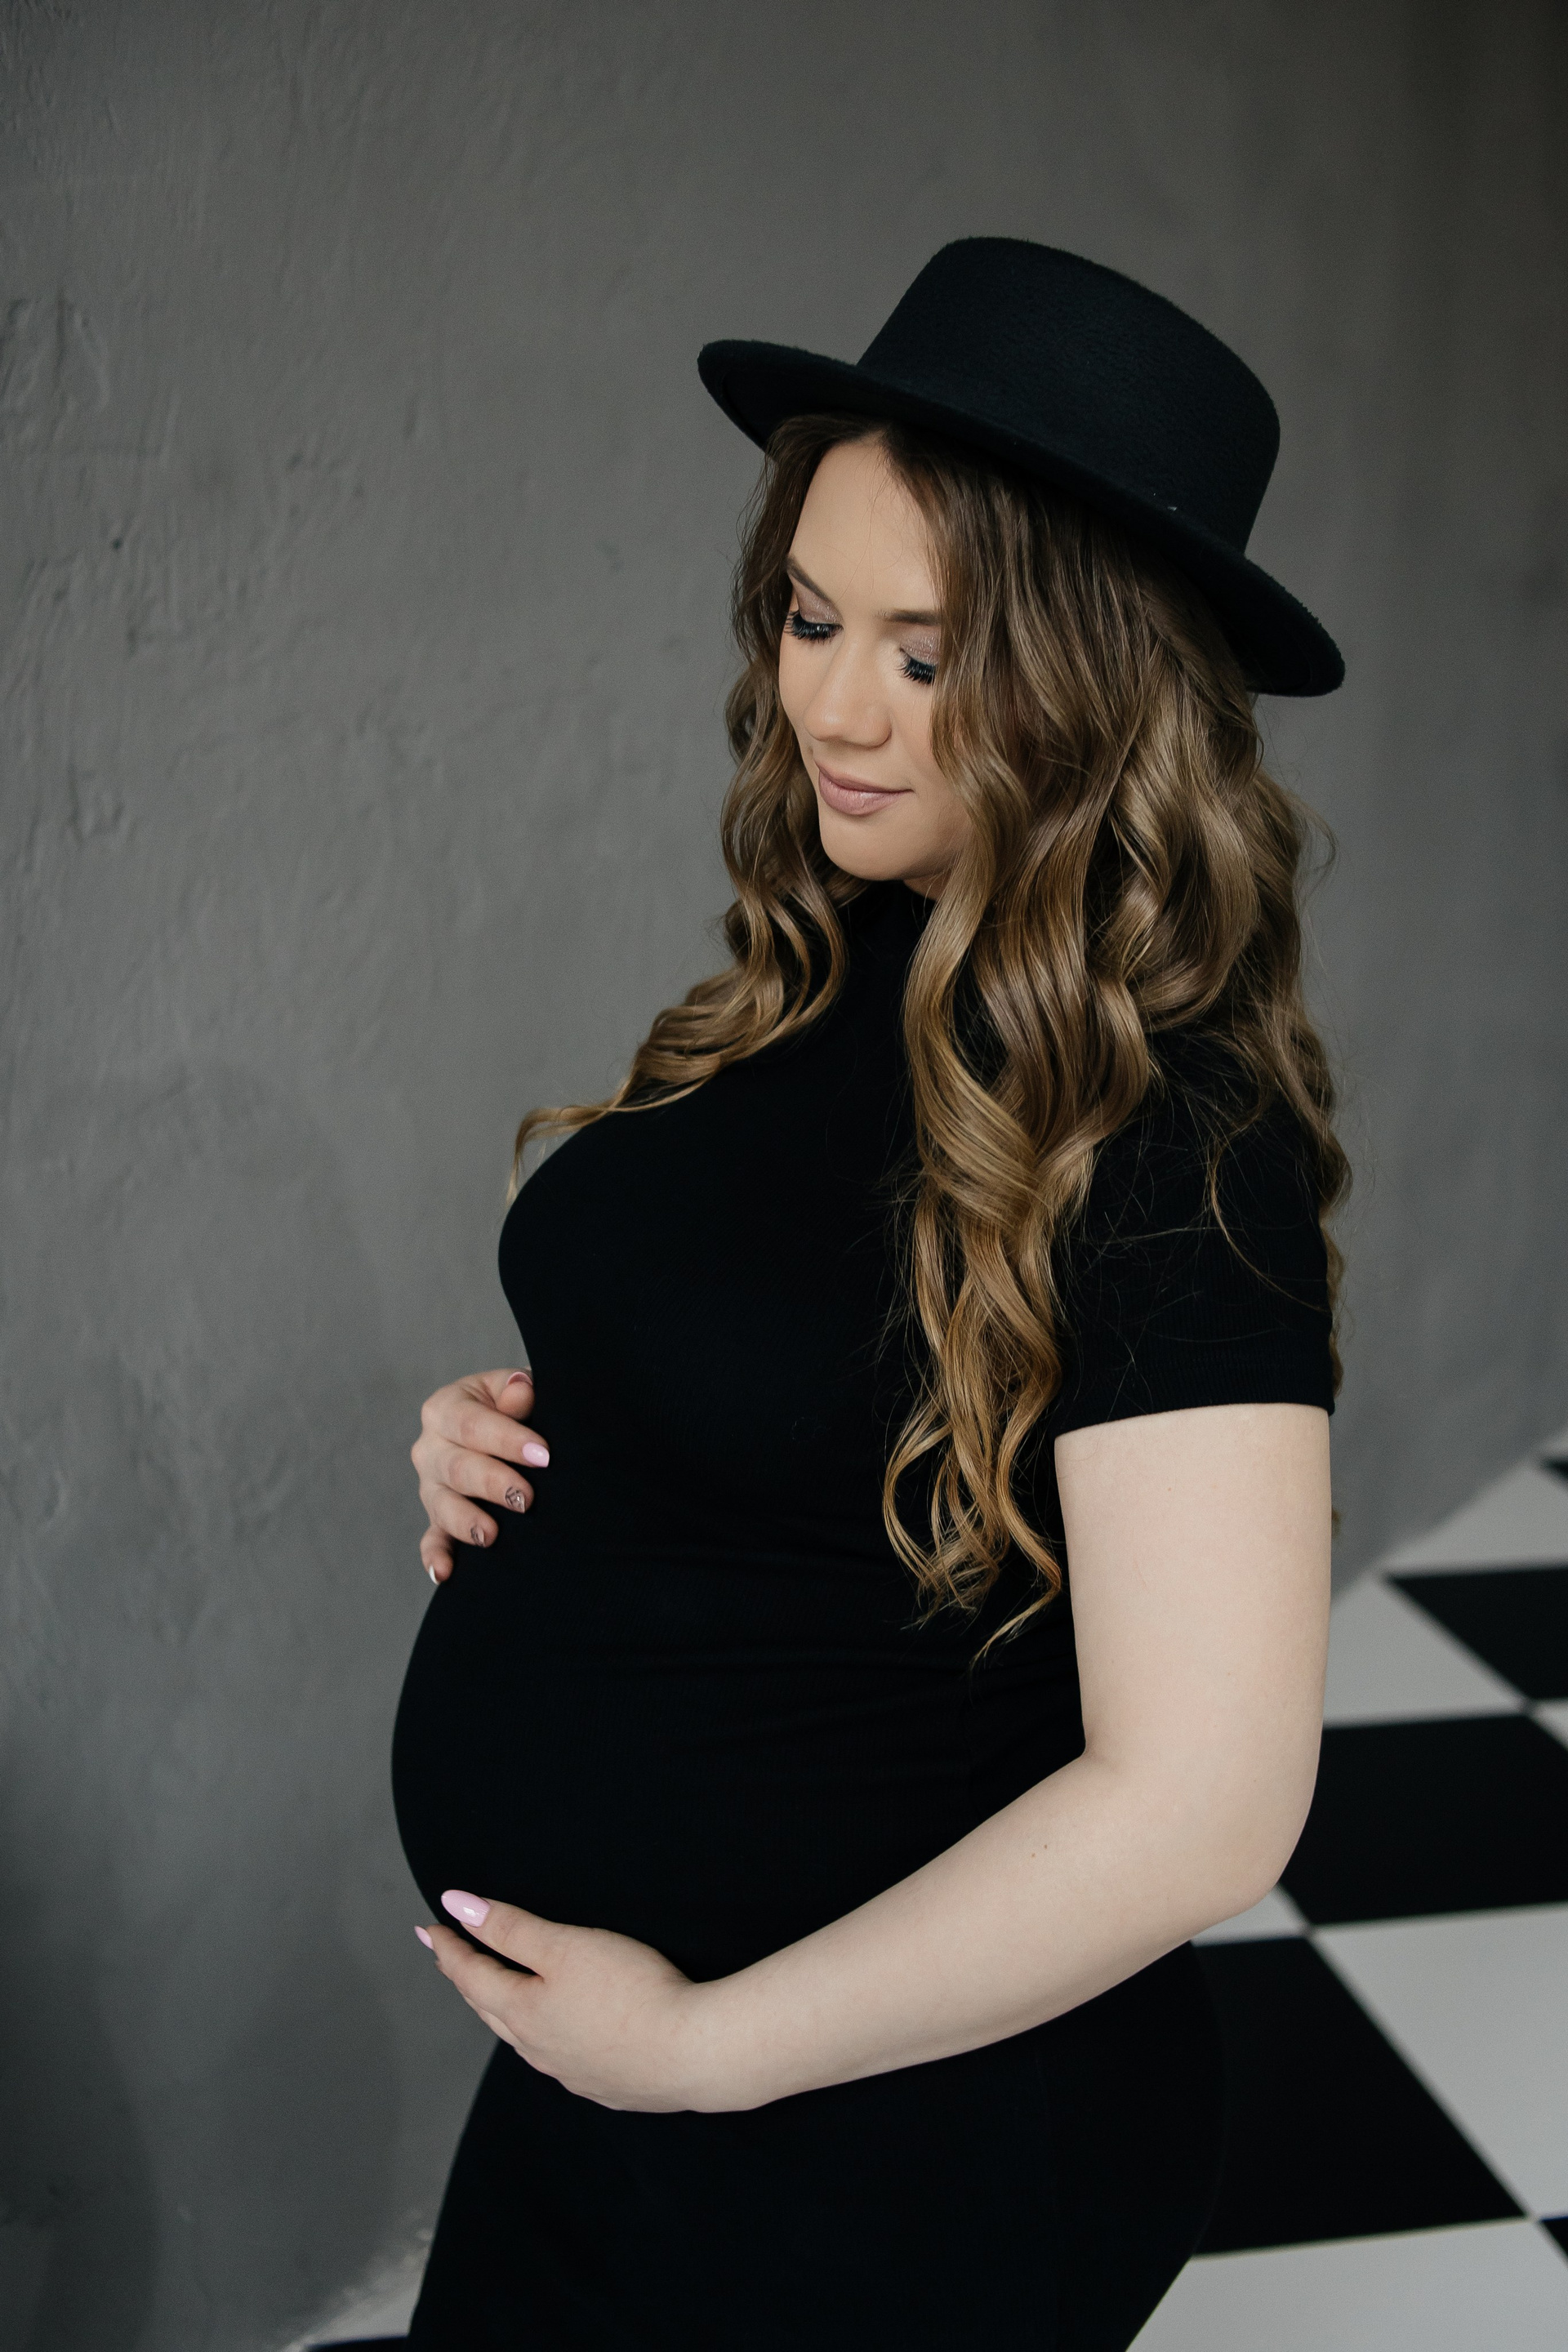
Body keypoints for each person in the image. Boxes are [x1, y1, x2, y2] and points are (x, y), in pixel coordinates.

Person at [390, 238, 1348, 2350]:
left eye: (931, 655)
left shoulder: (1170, 1128)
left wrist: (704, 2048)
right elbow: (791, 1389)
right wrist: (536, 1442)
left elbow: (1207, 1801)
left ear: (1102, 685)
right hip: (613, 2091)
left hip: (887, 2148)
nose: (832, 706)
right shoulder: (827, 963)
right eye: (813, 617)